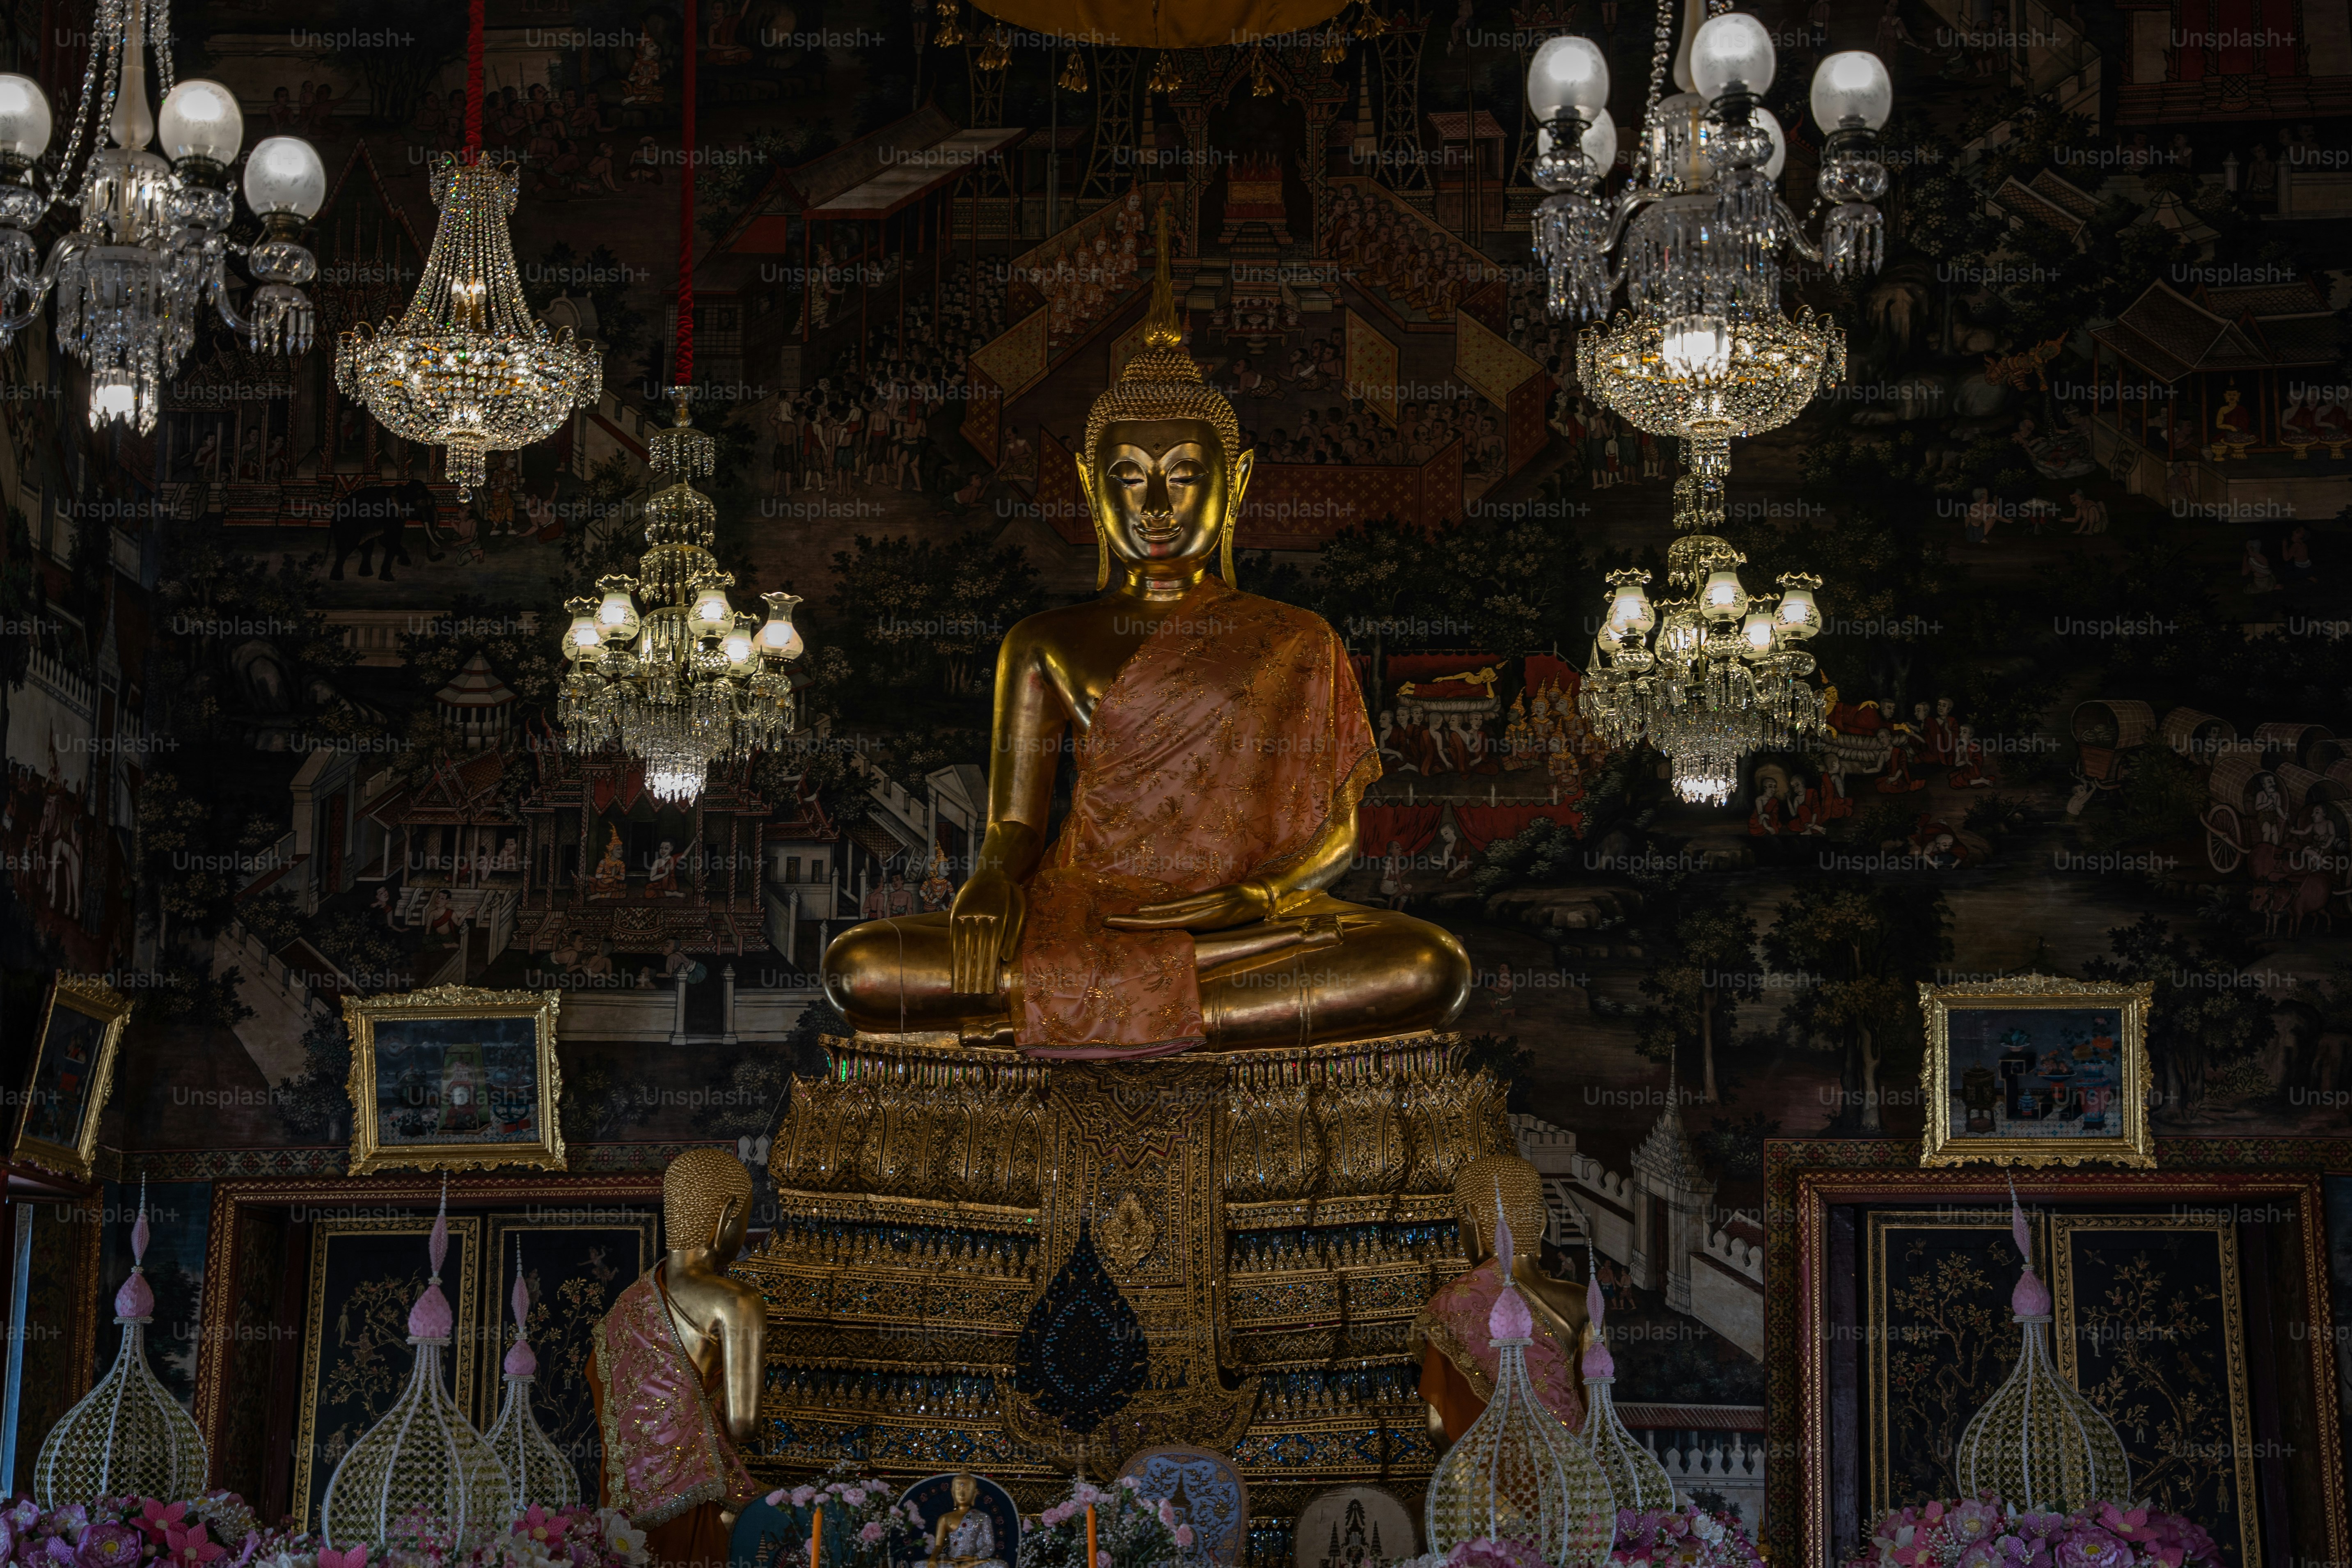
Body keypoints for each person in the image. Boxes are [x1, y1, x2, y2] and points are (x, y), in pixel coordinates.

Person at [588, 1150, 764, 1563]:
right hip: (708, 1498)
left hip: (631, 1512)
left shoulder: (627, 1304)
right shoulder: (737, 1300)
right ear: (727, 1217)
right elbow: (744, 1426)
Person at [1413, 1154, 1588, 1441]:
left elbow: (1437, 1428)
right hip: (1572, 1468)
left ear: (1469, 1220)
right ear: (1541, 1221)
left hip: (1487, 1474)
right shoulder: (1581, 1300)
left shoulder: (1452, 1302)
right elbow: (1596, 1408)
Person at [924, 1475, 1008, 1568]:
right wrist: (932, 1559)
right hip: (952, 1560)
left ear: (974, 1493)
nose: (962, 1494)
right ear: (952, 1493)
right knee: (920, 1566)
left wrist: (976, 1558)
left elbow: (989, 1546)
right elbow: (939, 1546)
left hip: (973, 1561)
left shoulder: (982, 1517)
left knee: (1001, 1566)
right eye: (958, 1490)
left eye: (967, 1490)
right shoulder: (945, 1518)